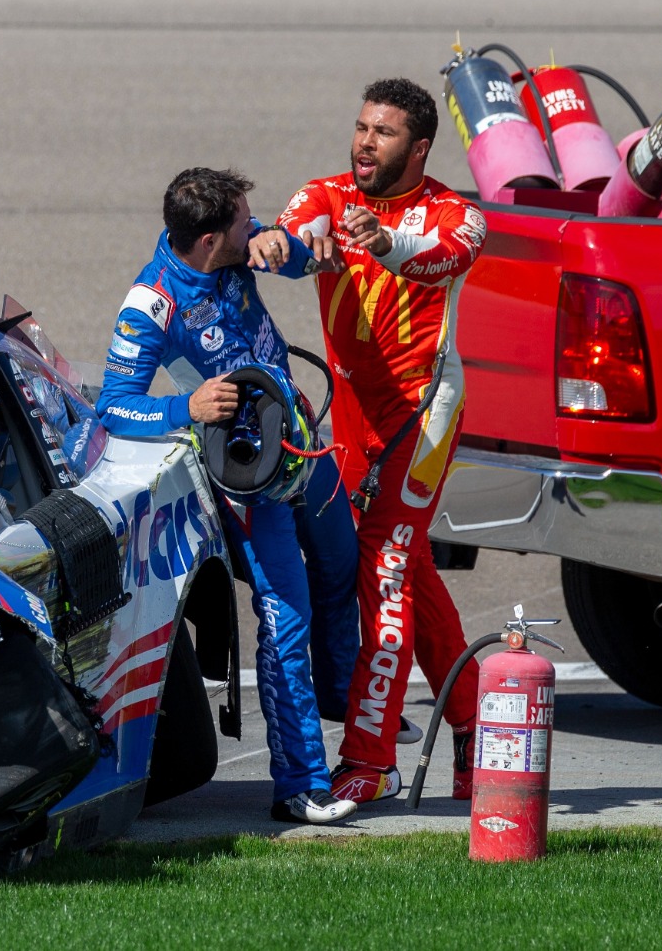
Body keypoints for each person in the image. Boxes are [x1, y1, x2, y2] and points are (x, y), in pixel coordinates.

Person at [96, 167, 360, 824]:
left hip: (299, 436)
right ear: (210, 240)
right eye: (247, 222)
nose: (256, 226)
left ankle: (340, 700)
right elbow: (112, 408)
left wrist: (282, 243)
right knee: (285, 614)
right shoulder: (150, 304)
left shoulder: (246, 249)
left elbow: (307, 263)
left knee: (341, 564)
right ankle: (300, 784)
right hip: (250, 477)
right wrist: (183, 408)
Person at [277, 78, 487, 803]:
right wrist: (289, 245)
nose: (366, 142)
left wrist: (385, 240)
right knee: (409, 564)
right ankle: (475, 719)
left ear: (419, 148)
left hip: (424, 414)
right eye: (362, 127)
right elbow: (292, 238)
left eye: (384, 133)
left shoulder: (457, 215)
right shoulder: (323, 194)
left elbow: (439, 258)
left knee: (386, 565)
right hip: (350, 417)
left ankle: (370, 757)